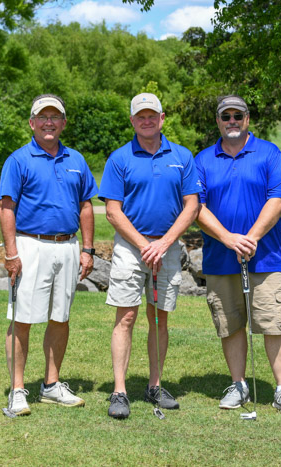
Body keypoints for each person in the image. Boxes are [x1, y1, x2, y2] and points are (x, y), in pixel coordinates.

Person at [194, 94, 281, 415]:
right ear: (218, 121)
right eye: (225, 116)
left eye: (237, 116)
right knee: (230, 324)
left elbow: (278, 198)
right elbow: (195, 206)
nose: (231, 121)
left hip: (265, 257)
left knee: (273, 323)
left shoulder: (269, 153)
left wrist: (251, 238)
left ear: (247, 119)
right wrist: (228, 239)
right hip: (220, 257)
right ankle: (238, 385)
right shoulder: (202, 160)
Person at [99, 93, 200, 420]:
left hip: (168, 247)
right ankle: (119, 390)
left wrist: (165, 242)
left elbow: (192, 205)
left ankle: (155, 385)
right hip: (131, 248)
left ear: (162, 117)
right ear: (132, 121)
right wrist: (145, 244)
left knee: (159, 318)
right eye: (140, 116)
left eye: (152, 115)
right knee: (126, 317)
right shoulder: (119, 158)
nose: (146, 120)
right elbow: (113, 211)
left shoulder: (182, 156)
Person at [0, 93, 98, 416]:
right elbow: (7, 208)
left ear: (64, 123)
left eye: (55, 117)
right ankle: (17, 390)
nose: (49, 122)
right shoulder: (18, 160)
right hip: (31, 246)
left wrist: (87, 248)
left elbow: (86, 205)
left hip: (68, 246)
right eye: (43, 117)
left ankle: (51, 385)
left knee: (60, 317)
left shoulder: (76, 160)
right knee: (23, 318)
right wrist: (11, 253)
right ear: (32, 123)